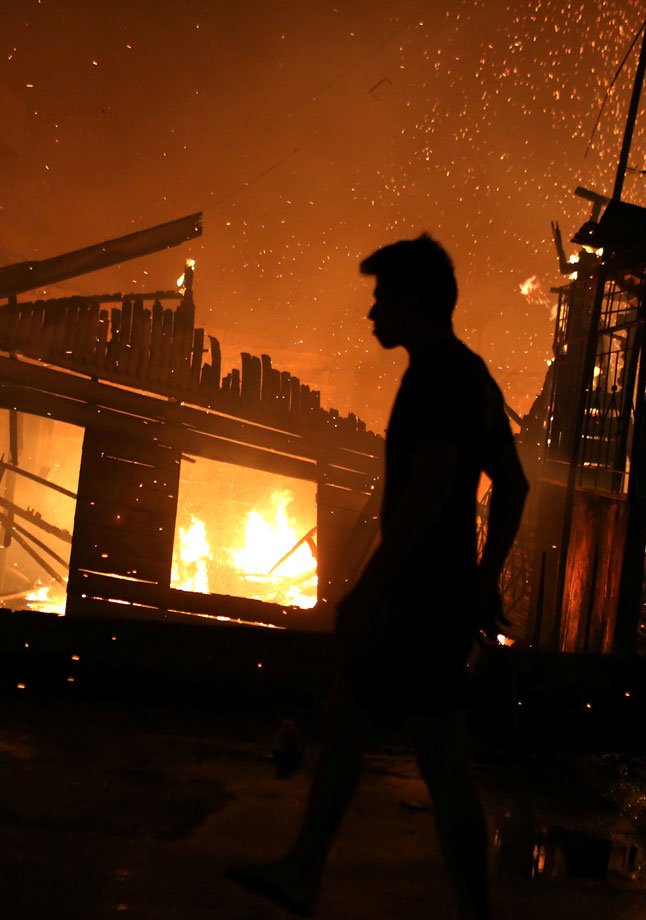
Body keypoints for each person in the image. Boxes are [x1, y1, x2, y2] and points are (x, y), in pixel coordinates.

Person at [228, 234, 530, 919]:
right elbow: (512, 487)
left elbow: (427, 490)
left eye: (381, 298)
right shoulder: (474, 377)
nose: (372, 314)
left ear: (415, 301)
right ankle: (309, 870)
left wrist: (370, 587)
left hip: (416, 597)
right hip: (443, 593)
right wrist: (483, 578)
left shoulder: (432, 380)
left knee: (427, 751)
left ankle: (312, 874)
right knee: (375, 729)